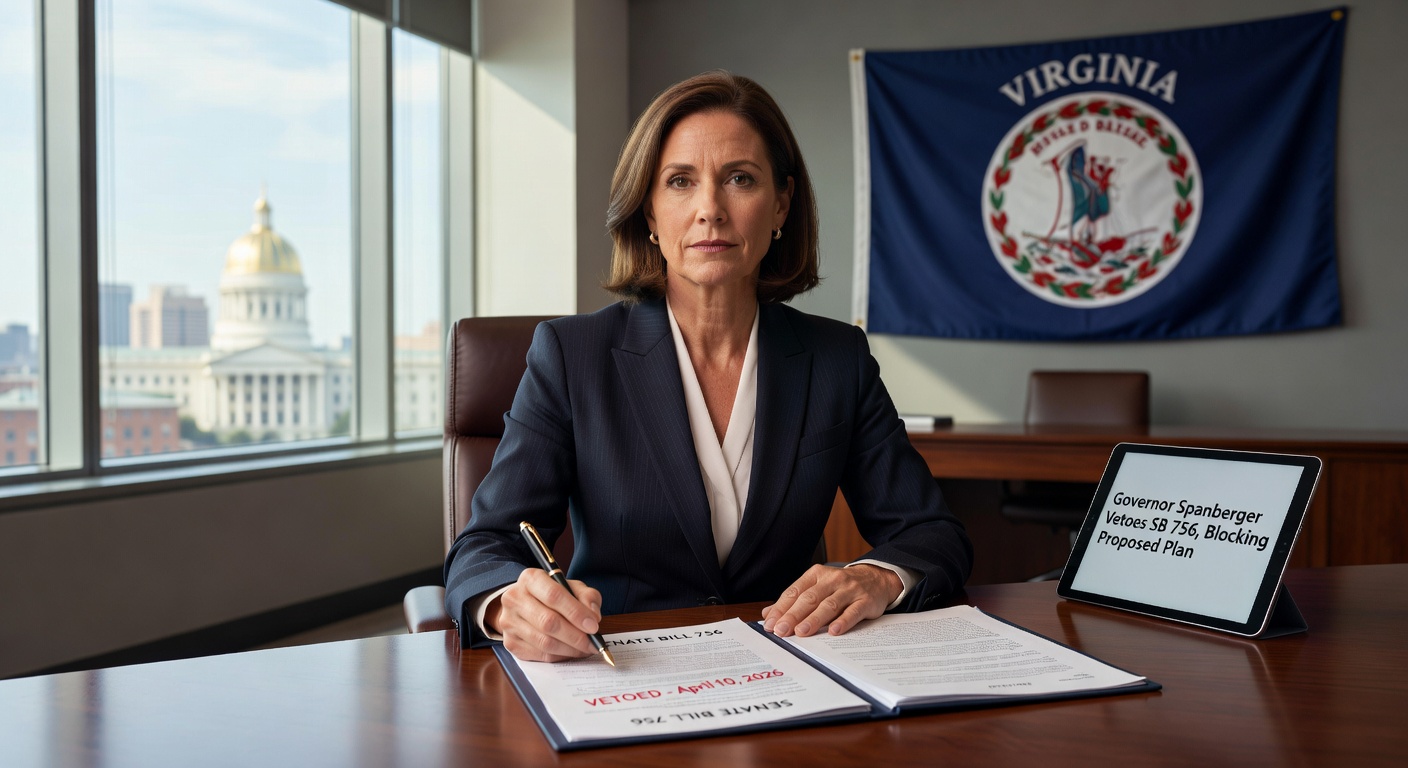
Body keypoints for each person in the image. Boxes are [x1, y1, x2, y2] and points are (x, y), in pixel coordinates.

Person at [443, 70, 971, 662]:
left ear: (781, 205)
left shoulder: (836, 359)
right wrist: (505, 603)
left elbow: (932, 534)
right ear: (648, 211)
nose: (709, 210)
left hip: (793, 670)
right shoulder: (572, 356)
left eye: (740, 179)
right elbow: (483, 547)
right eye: (680, 182)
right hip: (625, 674)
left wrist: (878, 576)